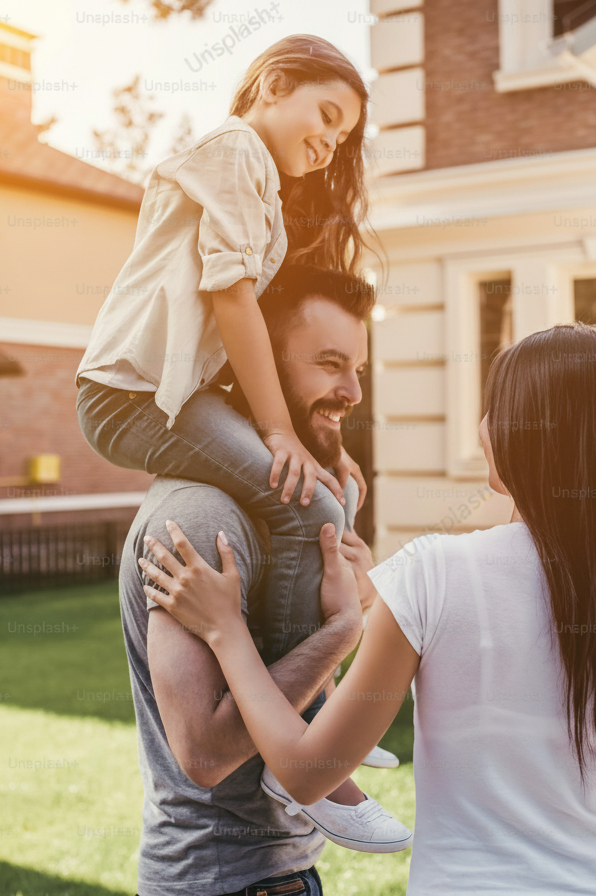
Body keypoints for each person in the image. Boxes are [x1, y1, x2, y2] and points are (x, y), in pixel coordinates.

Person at [142, 323, 596, 895]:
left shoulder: (433, 575)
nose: (483, 425)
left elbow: (307, 773)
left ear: (527, 437)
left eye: (496, 408)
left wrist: (227, 630)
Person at [76, 33, 377, 699]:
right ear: (272, 86)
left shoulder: (263, 191)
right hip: (129, 395)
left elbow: (246, 340)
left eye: (343, 136)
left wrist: (326, 443)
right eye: (327, 116)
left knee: (329, 491)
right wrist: (279, 433)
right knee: (308, 502)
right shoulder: (236, 149)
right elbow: (231, 295)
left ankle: (303, 696)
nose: (330, 144)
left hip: (174, 395)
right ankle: (293, 711)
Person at [116, 266, 410, 896]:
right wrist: (342, 630)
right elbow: (203, 755)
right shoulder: (200, 518)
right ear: (262, 369)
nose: (353, 390)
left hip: (278, 872)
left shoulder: (288, 508)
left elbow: (290, 680)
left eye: (357, 367)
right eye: (330, 364)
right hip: (224, 879)